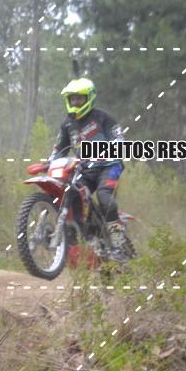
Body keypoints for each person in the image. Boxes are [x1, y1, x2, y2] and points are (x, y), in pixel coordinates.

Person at [47, 77, 130, 259]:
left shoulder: (102, 117)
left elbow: (119, 138)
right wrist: (49, 162)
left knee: (104, 197)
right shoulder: (67, 124)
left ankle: (118, 245)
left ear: (89, 98)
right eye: (72, 99)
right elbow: (59, 149)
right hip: (84, 169)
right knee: (71, 194)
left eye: (79, 98)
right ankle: (91, 237)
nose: (75, 102)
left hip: (109, 166)